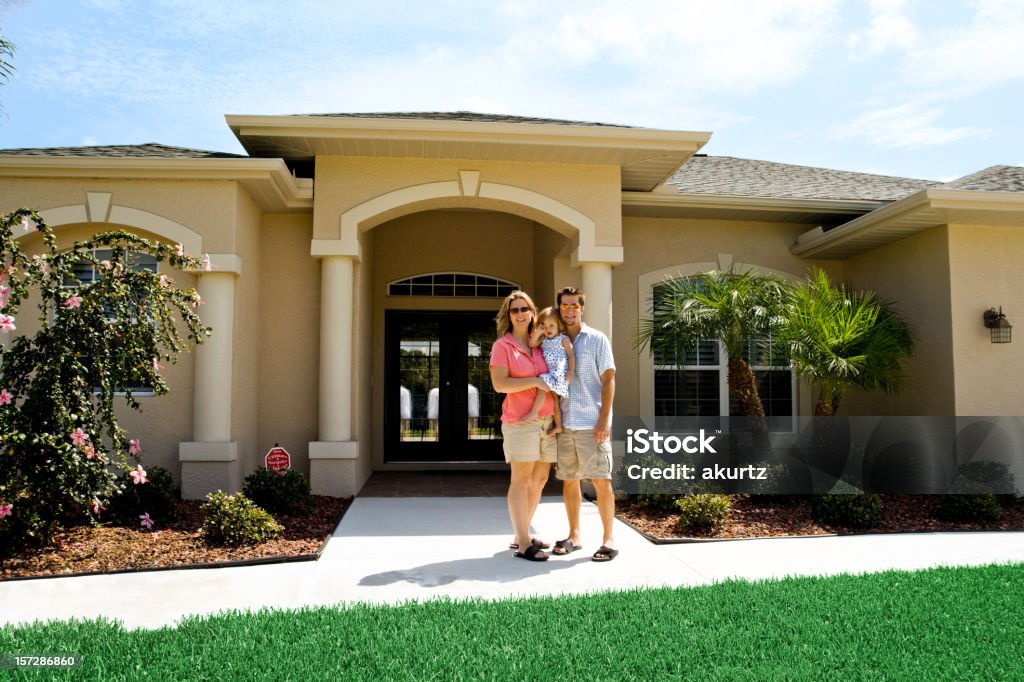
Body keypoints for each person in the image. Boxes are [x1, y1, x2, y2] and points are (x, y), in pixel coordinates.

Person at [550, 286, 618, 562]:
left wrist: (604, 420)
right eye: (564, 306)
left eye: (574, 306)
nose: (569, 311)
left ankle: (608, 539)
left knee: (602, 482)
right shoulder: (555, 340)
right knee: (569, 482)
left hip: (593, 424)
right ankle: (575, 536)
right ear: (559, 308)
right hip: (566, 424)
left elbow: (609, 379)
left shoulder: (597, 339)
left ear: (582, 308)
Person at [488, 291, 557, 561]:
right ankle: (525, 544)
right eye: (514, 310)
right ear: (509, 315)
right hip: (520, 422)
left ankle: (521, 535)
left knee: (539, 480)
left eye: (524, 308)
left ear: (532, 311)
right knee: (521, 480)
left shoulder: (540, 344)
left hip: (547, 421)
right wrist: (535, 382)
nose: (520, 314)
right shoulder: (502, 346)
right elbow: (500, 384)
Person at [523, 306, 574, 436]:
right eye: (544, 326)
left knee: (541, 384)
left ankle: (534, 411)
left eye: (551, 325)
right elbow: (531, 344)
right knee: (555, 401)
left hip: (559, 374)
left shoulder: (564, 339)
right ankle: (558, 426)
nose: (548, 329)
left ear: (559, 325)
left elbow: (571, 356)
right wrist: (539, 332)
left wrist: (571, 372)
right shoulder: (544, 340)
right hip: (551, 374)